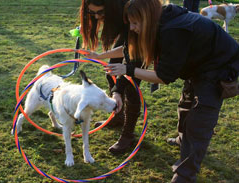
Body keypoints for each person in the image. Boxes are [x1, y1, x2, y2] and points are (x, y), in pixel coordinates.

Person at [104, 0, 239, 182]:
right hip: (196, 64)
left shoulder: (174, 30)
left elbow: (164, 76)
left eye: (136, 23)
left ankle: (184, 175)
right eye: (131, 23)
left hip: (218, 65)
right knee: (185, 105)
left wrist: (128, 70)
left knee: (199, 121)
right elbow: (132, 51)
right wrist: (102, 60)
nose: (133, 28)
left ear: (148, 17)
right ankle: (182, 140)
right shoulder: (158, 23)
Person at [79, 0, 142, 154]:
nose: (96, 17)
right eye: (92, 13)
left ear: (111, 7)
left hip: (142, 32)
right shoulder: (116, 13)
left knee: (130, 84)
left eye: (100, 12)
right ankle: (118, 116)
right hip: (129, 31)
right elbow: (123, 49)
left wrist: (119, 89)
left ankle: (128, 134)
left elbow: (135, 57)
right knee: (111, 72)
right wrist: (100, 56)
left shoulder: (130, 12)